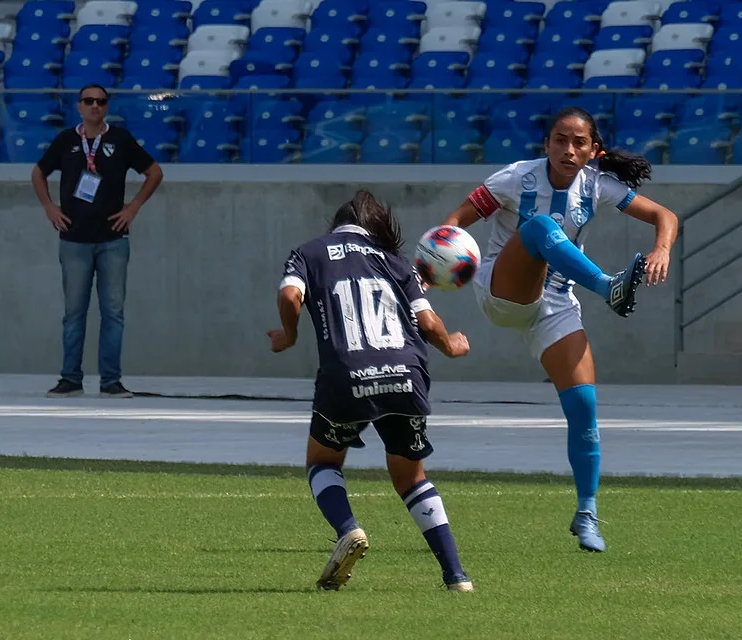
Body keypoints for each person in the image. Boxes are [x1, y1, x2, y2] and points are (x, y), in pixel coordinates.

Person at [440, 106, 679, 553]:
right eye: (559, 140)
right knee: (542, 227)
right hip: (501, 289)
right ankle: (608, 288)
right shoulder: (515, 178)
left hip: (555, 304)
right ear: (546, 144)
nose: (568, 149)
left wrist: (662, 248)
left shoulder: (597, 185)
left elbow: (665, 216)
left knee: (584, 407)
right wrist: (437, 260)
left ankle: (586, 513)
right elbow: (454, 222)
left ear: (594, 150)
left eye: (578, 142)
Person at [266, 190, 474, 592]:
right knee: (411, 479)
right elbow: (429, 325)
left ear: (335, 225)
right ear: (376, 227)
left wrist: (289, 335)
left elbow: (291, 295)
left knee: (322, 462)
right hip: (405, 374)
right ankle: (456, 575)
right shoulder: (396, 262)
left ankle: (348, 529)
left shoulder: (309, 252)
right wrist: (452, 345)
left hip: (348, 376)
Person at [32, 83, 163, 399]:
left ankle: (110, 381)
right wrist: (50, 207)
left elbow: (154, 172)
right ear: (79, 106)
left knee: (113, 313)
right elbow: (38, 173)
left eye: (100, 102)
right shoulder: (66, 140)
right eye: (88, 101)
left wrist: (132, 208)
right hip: (75, 239)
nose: (94, 106)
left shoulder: (119, 139)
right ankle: (70, 378)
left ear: (107, 107)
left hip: (113, 239)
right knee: (74, 312)